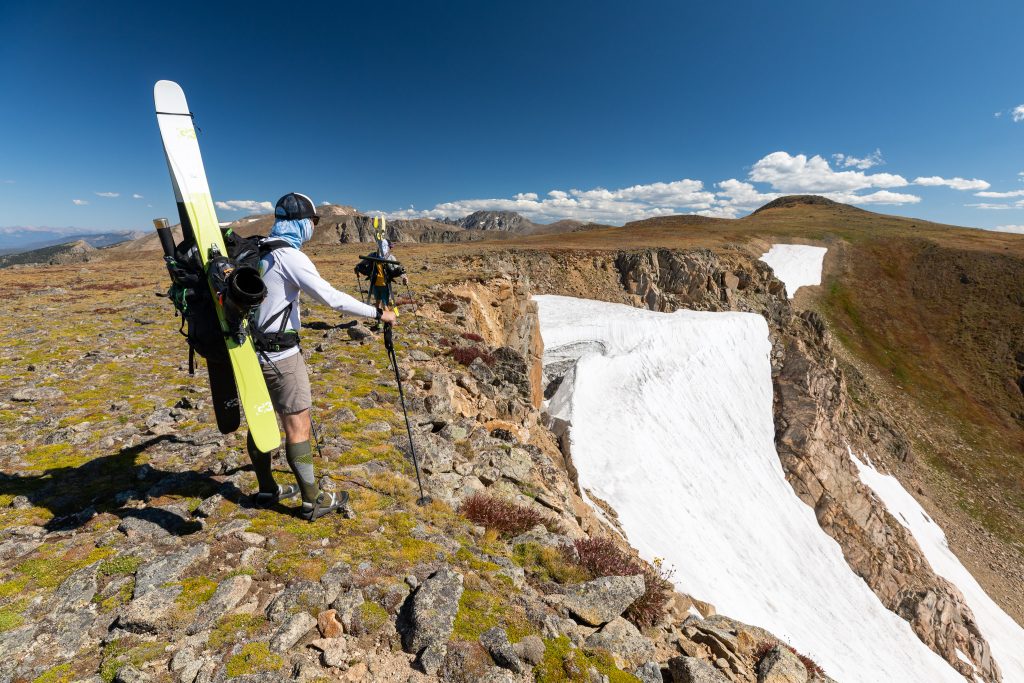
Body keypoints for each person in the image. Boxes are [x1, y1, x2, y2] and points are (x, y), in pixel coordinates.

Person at [247, 192, 396, 521]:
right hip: (281, 355)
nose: (313, 228)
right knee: (297, 425)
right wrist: (377, 313)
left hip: (249, 354)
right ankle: (313, 499)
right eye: (312, 223)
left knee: (260, 421)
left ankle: (267, 488)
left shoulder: (260, 250)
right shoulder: (290, 256)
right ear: (301, 223)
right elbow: (331, 299)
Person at [354, 234, 406, 331]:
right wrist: (357, 268)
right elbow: (363, 263)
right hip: (376, 284)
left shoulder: (389, 257)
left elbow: (397, 268)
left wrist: (404, 277)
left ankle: (388, 322)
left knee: (384, 304)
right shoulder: (374, 256)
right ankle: (380, 323)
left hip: (384, 285)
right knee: (378, 304)